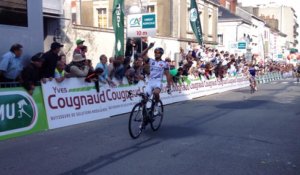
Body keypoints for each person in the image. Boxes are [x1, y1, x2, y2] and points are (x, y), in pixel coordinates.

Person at [141, 43, 173, 115]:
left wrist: (168, 85)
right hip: (150, 82)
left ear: (161, 54)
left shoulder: (164, 63)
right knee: (144, 99)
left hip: (158, 82)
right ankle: (144, 117)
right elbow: (141, 55)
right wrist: (149, 47)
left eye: (158, 53)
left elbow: (168, 74)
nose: (156, 54)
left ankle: (156, 105)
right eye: (155, 52)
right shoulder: (151, 61)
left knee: (156, 93)